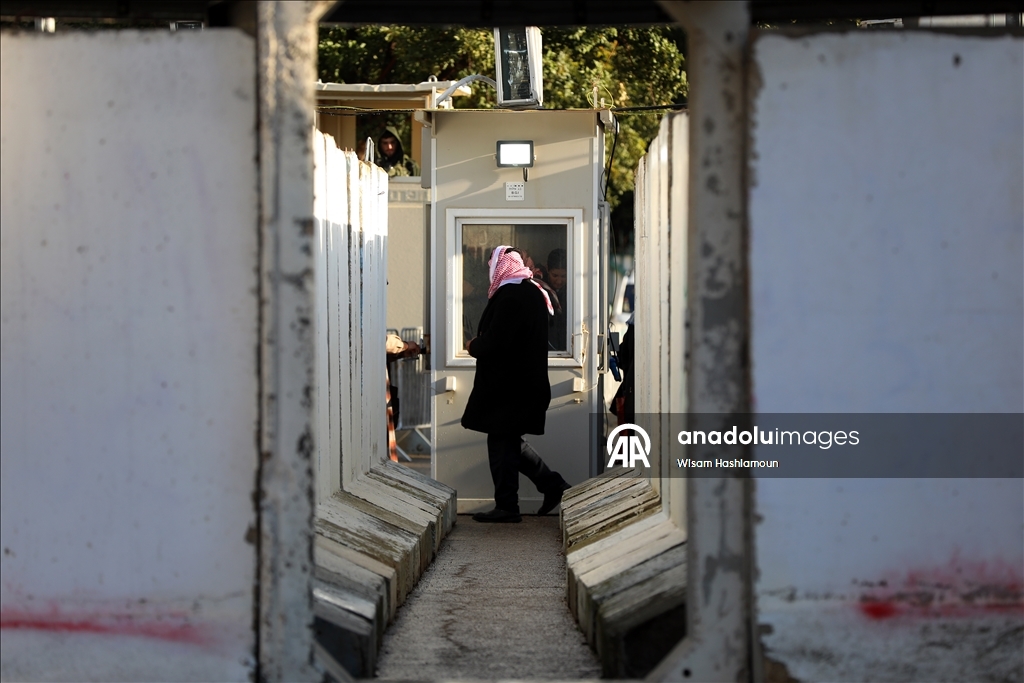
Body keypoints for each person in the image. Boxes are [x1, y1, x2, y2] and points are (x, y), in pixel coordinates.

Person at [461, 246, 571, 523]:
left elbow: (498, 341)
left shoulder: (512, 295)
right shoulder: (529, 291)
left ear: (500, 266)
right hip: (519, 387)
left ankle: (507, 506)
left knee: (501, 446)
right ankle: (554, 486)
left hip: (509, 388)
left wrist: (474, 345)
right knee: (509, 444)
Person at [545, 248, 568, 351]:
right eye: (554, 275)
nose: (559, 281)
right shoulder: (541, 290)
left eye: (563, 276)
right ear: (547, 269)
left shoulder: (573, 293)